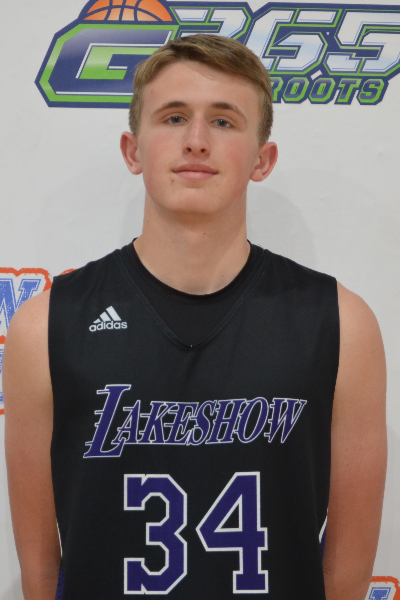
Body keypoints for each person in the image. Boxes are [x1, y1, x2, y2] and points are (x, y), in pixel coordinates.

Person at [3, 34, 386, 600]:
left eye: (224, 121)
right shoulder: (45, 328)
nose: (197, 141)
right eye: (174, 117)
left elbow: (346, 578)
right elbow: (39, 575)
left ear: (262, 160)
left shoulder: (341, 325)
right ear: (133, 151)